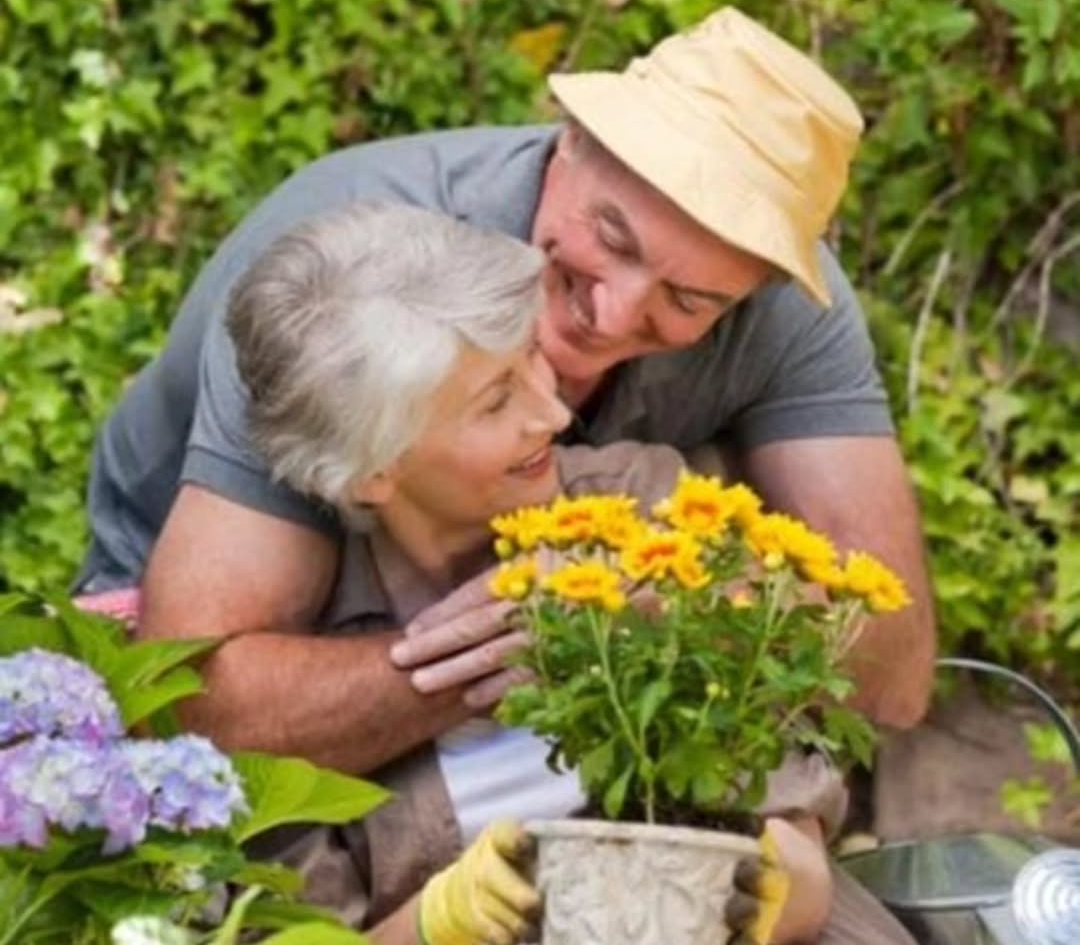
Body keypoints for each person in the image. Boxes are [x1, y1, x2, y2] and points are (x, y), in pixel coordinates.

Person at [78, 6, 935, 787]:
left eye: (689, 302)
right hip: (256, 626)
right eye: (610, 237)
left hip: (499, 644)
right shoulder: (348, 268)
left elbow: (892, 673)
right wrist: (531, 633)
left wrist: (682, 602)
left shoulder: (789, 306)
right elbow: (195, 699)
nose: (610, 314)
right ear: (567, 143)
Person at [220, 201, 915, 945]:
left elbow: (782, 799)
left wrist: (782, 888)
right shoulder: (305, 682)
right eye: (496, 401)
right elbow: (294, 932)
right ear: (375, 473)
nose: (551, 412)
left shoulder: (643, 509)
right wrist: (436, 922)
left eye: (532, 358)